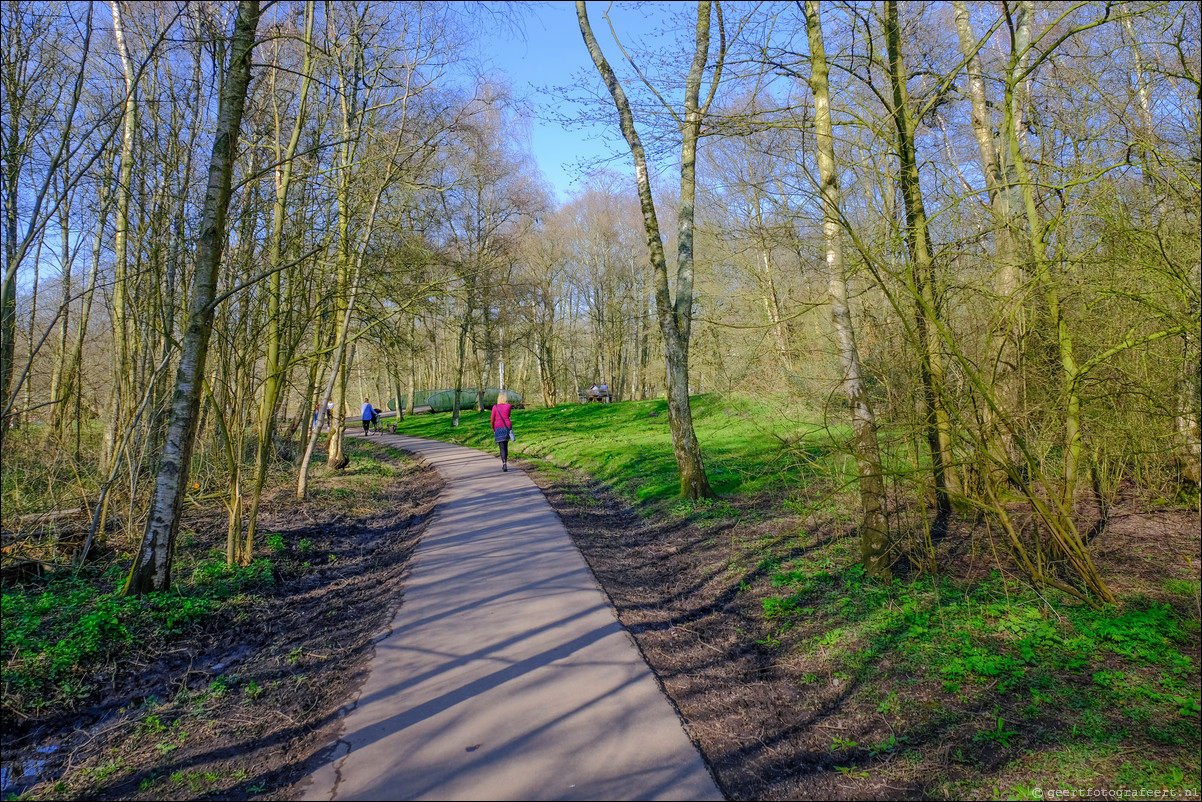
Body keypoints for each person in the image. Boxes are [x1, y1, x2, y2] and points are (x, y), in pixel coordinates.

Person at [490, 391, 513, 472]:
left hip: (498, 427)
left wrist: (493, 428)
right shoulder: (508, 406)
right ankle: (505, 462)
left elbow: (492, 420)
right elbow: (508, 416)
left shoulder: (495, 407)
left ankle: (504, 463)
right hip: (507, 427)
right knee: (505, 446)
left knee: (501, 447)